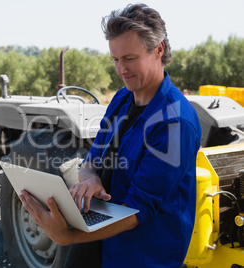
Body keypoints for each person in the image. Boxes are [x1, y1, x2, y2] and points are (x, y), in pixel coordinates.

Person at [19, 3, 201, 267]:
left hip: (142, 257)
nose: (121, 69)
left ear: (158, 49)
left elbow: (137, 210)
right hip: (102, 247)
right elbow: (91, 161)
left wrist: (67, 235)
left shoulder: (175, 122)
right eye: (115, 59)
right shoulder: (122, 99)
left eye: (129, 58)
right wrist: (91, 179)